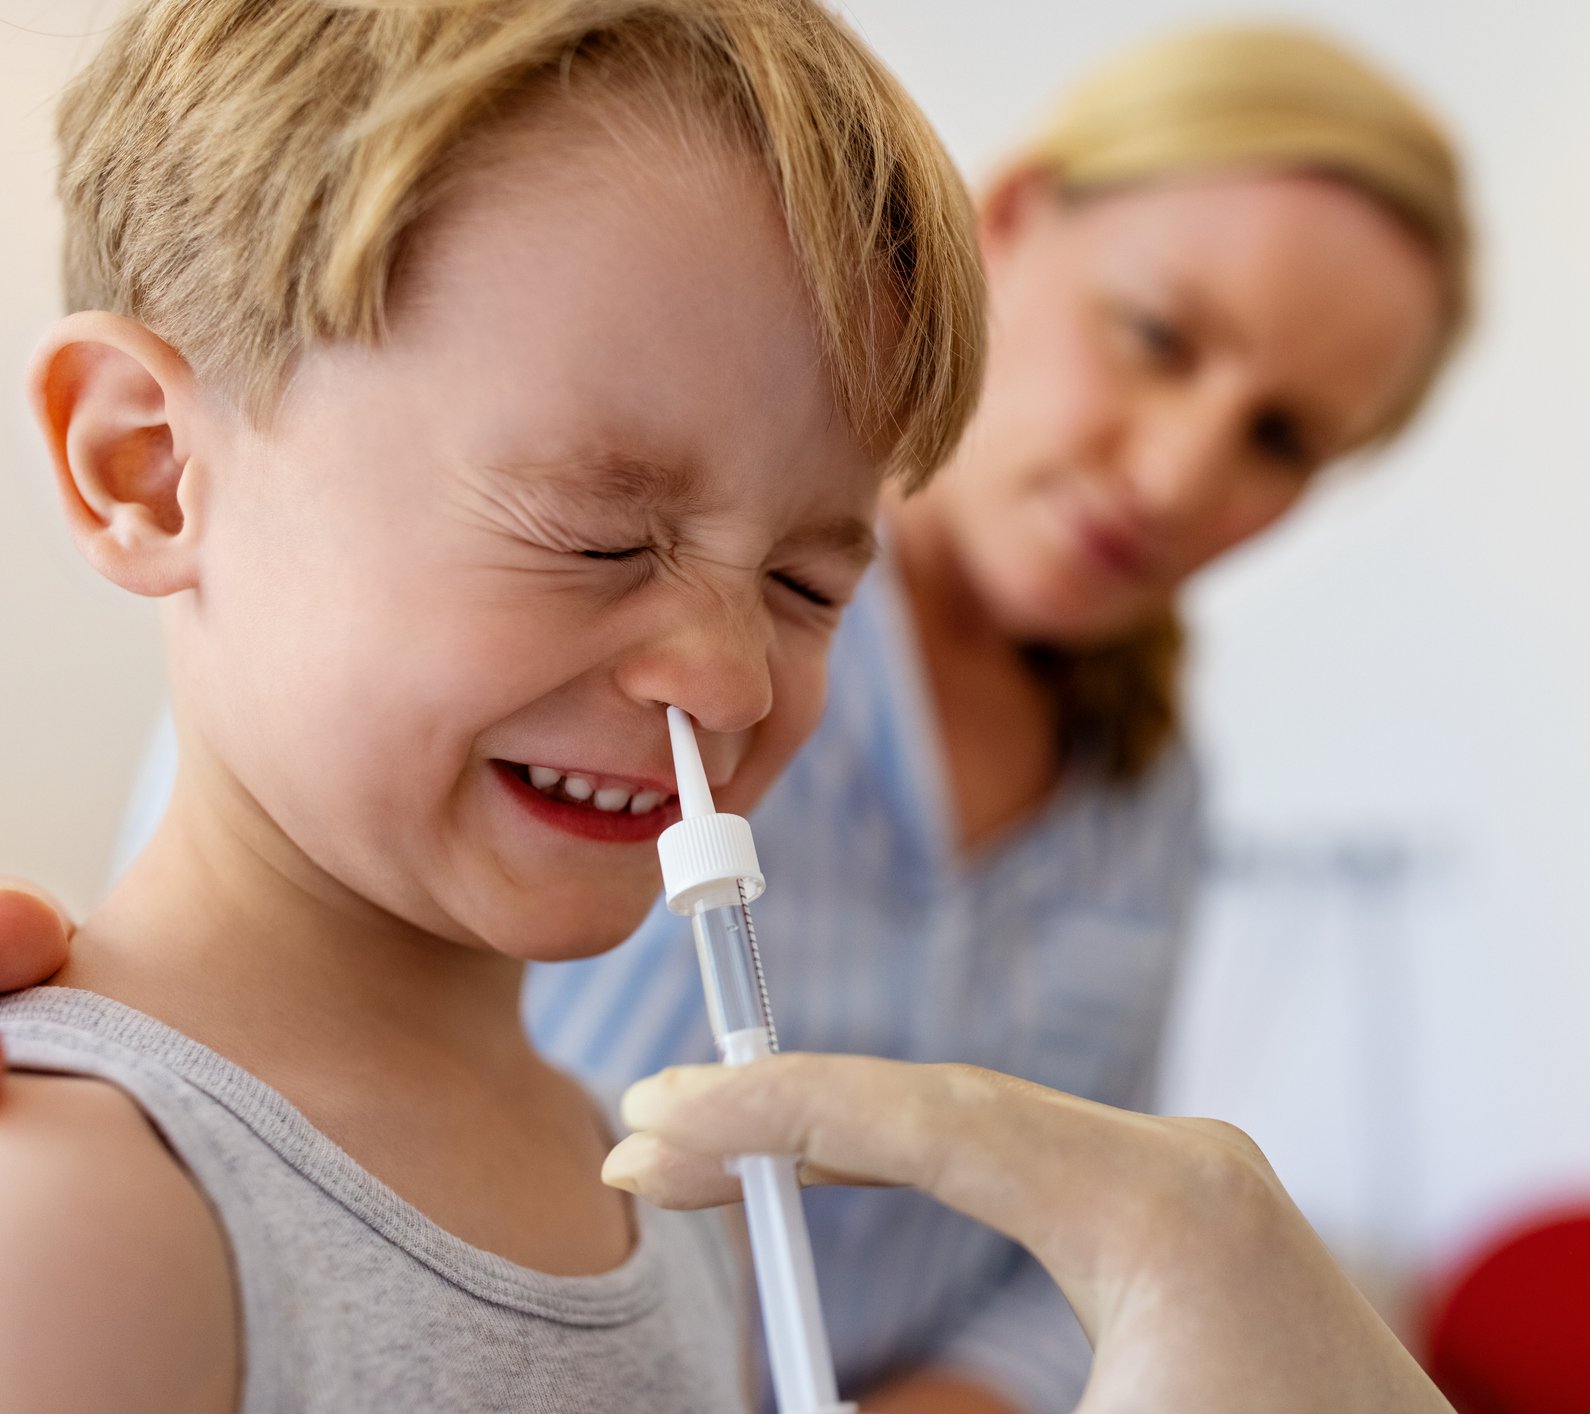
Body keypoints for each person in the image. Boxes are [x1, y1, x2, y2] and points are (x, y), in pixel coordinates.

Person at [106, 23, 1475, 1412]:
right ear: (1017, 218)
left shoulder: (1148, 792)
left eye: (1281, 438)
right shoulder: (473, 689)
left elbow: (1059, 1252)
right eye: (1159, 335)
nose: (1179, 472)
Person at [0, 0, 984, 1408]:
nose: (729, 678)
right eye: (595, 535)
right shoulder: (75, 1203)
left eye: (808, 584)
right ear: (150, 467)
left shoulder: (671, 1191)